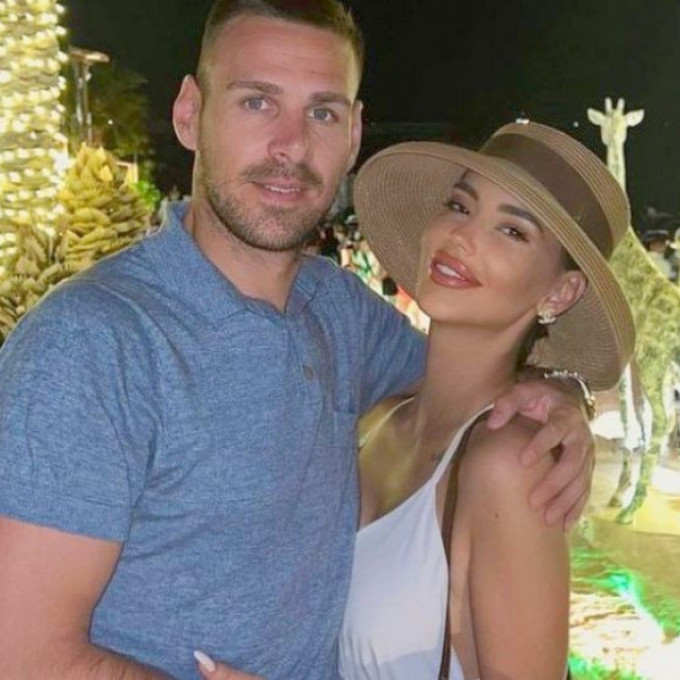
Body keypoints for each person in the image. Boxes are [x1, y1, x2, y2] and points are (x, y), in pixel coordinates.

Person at [0, 3, 593, 679]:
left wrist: (558, 395)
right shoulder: (91, 346)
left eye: (323, 112)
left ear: (354, 134)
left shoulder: (338, 311)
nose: (291, 146)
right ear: (190, 114)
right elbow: (21, 654)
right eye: (258, 102)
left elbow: (464, 381)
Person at [336, 123, 635, 679]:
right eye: (459, 205)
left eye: (512, 231)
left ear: (560, 292)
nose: (462, 236)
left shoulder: (508, 464)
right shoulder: (377, 419)